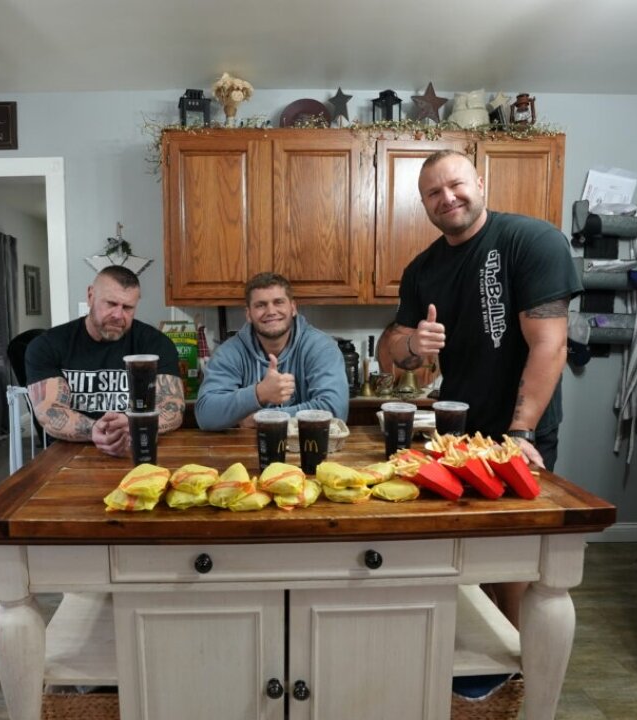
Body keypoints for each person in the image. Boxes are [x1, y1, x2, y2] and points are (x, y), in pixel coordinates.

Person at [0, 265, 184, 705]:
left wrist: (135, 422)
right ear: (90, 296)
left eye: (127, 307)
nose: (118, 316)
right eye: (110, 304)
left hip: (135, 462)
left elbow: (174, 407)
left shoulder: (152, 343)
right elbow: (48, 412)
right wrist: (95, 432)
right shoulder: (50, 345)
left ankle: (147, 644)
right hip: (62, 463)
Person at [388, 149, 581, 627]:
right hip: (457, 437)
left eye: (455, 185)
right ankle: (481, 673)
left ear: (479, 182)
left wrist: (520, 435)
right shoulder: (422, 270)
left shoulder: (531, 240)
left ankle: (515, 675)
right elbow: (391, 351)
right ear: (424, 204)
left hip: (518, 432)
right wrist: (412, 341)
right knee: (468, 562)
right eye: (433, 193)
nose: (446, 198)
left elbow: (550, 345)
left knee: (513, 565)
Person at [195, 272, 349, 430]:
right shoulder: (229, 352)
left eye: (278, 302)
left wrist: (261, 418)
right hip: (247, 450)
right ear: (248, 314)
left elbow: (334, 410)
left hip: (309, 449)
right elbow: (206, 416)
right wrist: (259, 393)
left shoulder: (321, 347)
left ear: (293, 308)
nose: (271, 311)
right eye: (260, 305)